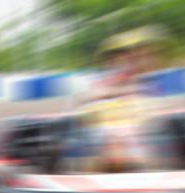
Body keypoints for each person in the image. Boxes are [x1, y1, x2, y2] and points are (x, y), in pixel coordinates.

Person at [69, 25, 170, 173]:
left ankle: (147, 170)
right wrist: (106, 95)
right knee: (99, 138)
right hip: (108, 129)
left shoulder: (147, 82)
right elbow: (85, 101)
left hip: (136, 129)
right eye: (117, 57)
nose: (123, 61)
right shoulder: (103, 82)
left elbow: (154, 104)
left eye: (127, 57)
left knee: (145, 139)